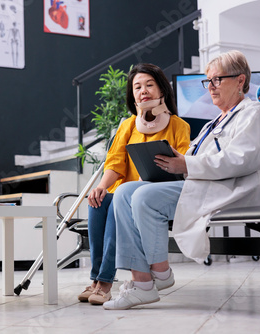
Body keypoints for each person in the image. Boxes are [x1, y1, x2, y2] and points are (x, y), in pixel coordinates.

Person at [104, 50, 260, 310]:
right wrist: (174, 162)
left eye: (217, 80)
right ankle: (142, 283)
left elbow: (241, 160)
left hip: (228, 190)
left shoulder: (254, 114)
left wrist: (186, 163)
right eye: (207, 81)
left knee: (143, 196)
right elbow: (194, 156)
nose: (210, 87)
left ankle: (159, 276)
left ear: (241, 81)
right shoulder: (214, 122)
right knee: (124, 192)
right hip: (204, 184)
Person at [78, 63, 191, 305]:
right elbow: (115, 162)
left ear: (162, 89)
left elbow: (182, 165)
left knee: (118, 205)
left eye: (149, 84)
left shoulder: (179, 126)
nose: (143, 91)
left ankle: (105, 282)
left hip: (153, 195)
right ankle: (96, 278)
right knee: (98, 202)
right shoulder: (127, 125)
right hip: (125, 191)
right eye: (137, 87)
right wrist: (101, 187)